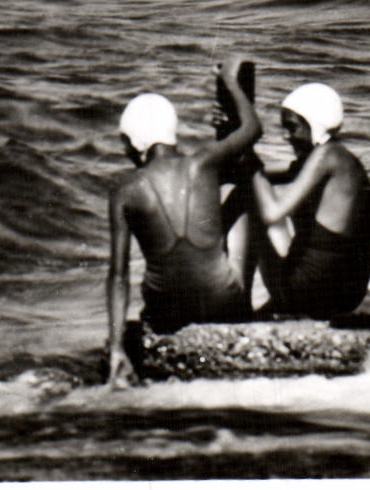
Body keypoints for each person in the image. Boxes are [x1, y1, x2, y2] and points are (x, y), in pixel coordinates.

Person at [106, 57, 262, 389]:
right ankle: (245, 303)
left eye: (124, 142)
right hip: (224, 305)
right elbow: (253, 130)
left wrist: (117, 347)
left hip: (167, 313)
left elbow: (118, 278)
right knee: (243, 190)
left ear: (136, 141)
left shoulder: (124, 191)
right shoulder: (203, 162)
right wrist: (231, 83)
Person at [245, 83, 370, 318]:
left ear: (314, 124)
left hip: (313, 293)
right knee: (255, 185)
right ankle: (280, 302)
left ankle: (244, 303)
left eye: (292, 128)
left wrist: (246, 151)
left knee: (253, 200)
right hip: (349, 294)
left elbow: (272, 213)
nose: (287, 136)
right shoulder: (341, 159)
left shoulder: (327, 156)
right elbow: (265, 175)